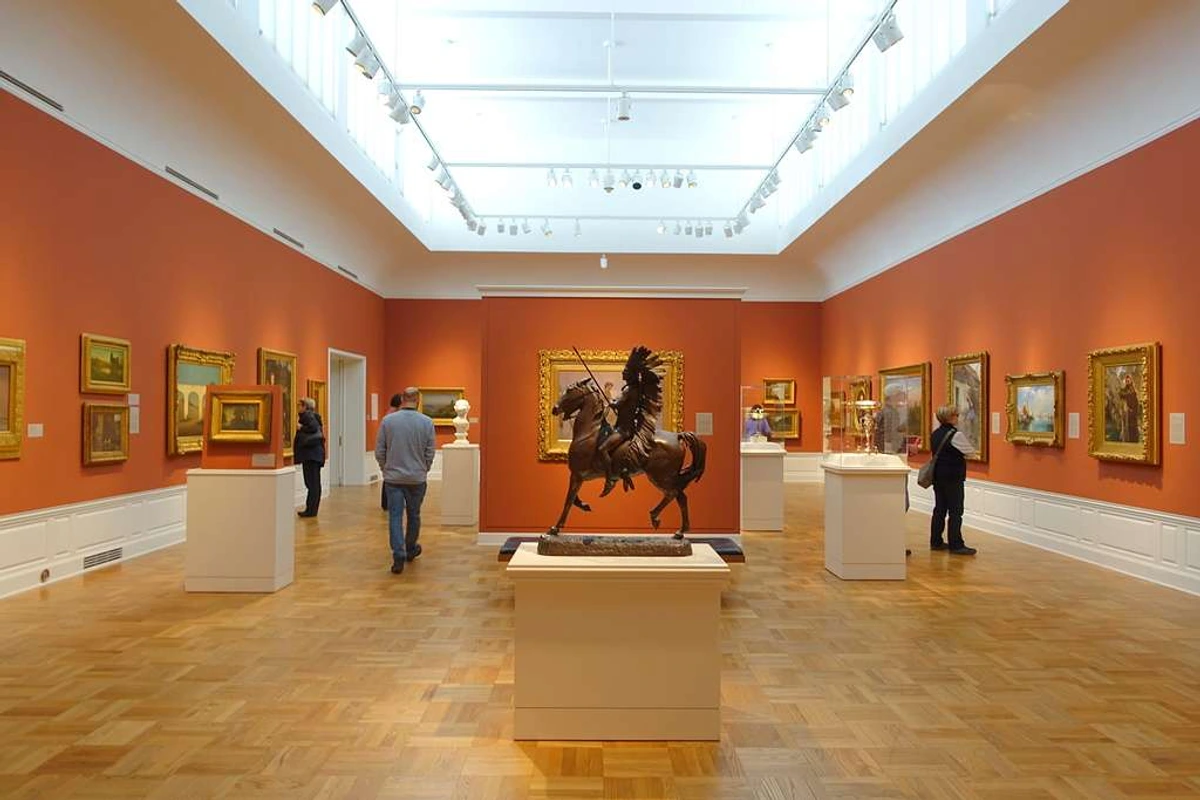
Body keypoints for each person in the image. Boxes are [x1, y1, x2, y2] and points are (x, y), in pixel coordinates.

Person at [375, 387, 435, 574]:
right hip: (416, 478)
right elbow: (430, 451)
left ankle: (398, 553)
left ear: (402, 398)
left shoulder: (388, 421)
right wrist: (424, 468)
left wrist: (386, 468)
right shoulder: (426, 422)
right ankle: (410, 547)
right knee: (414, 514)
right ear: (417, 400)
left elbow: (380, 451)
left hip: (393, 477)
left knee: (395, 516)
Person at [929, 405, 978, 555]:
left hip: (938, 476)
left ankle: (936, 541)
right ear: (950, 417)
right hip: (953, 477)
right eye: (956, 415)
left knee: (940, 509)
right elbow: (970, 453)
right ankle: (956, 544)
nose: (958, 417)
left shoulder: (935, 433)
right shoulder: (955, 435)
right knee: (956, 511)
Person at [294, 397, 325, 518]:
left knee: (311, 483)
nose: (298, 408)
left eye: (300, 405)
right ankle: (312, 509)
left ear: (305, 407)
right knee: (314, 483)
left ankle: (311, 510)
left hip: (311, 455)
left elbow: (312, 428)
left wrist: (301, 428)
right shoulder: (314, 416)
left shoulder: (308, 416)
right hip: (314, 455)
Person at [380, 393, 403, 511]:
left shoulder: (389, 414)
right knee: (389, 479)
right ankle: (387, 502)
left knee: (388, 477)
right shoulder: (393, 415)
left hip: (389, 450)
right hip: (392, 450)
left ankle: (386, 502)